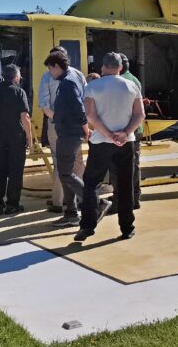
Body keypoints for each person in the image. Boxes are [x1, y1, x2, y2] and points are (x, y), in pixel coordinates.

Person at [75, 53, 145, 242]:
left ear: (103, 67)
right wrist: (124, 133)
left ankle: (87, 226)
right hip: (126, 141)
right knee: (124, 185)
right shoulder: (132, 86)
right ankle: (127, 227)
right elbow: (140, 115)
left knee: (91, 184)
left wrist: (107, 134)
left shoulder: (92, 86)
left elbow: (90, 116)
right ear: (120, 68)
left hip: (100, 142)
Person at [37, 46, 86, 212]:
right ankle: (78, 201)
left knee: (60, 164)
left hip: (57, 126)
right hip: (76, 126)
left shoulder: (48, 76)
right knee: (77, 163)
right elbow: (85, 99)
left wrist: (57, 119)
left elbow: (44, 105)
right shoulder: (78, 74)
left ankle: (59, 202)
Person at [0, 64, 33, 215]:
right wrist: (29, 137)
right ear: (16, 77)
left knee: (1, 170)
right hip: (16, 137)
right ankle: (12, 204)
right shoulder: (19, 92)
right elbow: (25, 117)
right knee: (16, 172)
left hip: (0, 137)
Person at [46, 51, 90, 227]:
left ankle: (95, 201)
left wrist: (86, 129)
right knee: (66, 173)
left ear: (57, 66)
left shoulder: (67, 83)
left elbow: (79, 108)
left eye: (51, 69)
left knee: (65, 173)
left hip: (69, 134)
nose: (50, 73)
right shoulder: (69, 79)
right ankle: (71, 212)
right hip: (67, 133)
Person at [119, 53, 143, 210]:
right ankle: (136, 196)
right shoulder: (135, 79)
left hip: (126, 130)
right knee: (135, 163)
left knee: (123, 166)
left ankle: (126, 198)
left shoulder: (121, 82)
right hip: (137, 128)